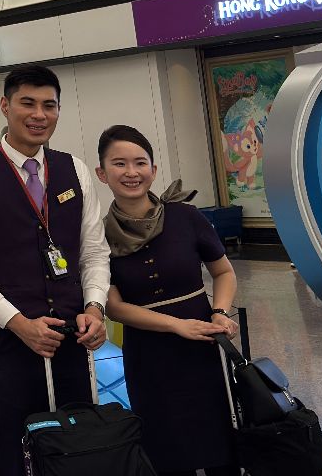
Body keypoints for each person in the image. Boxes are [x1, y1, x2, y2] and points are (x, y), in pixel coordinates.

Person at [0, 66, 109, 476]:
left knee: (79, 445)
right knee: (18, 452)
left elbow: (93, 251)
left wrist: (96, 307)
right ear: (5, 106)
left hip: (73, 339)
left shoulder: (74, 169)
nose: (39, 114)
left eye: (48, 105)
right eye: (27, 103)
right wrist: (18, 324)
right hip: (9, 345)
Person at [96, 125, 238, 476]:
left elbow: (224, 272)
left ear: (154, 170)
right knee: (167, 448)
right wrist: (177, 326)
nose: (131, 172)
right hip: (149, 355)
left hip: (204, 346)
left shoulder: (185, 217)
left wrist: (219, 312)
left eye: (140, 163)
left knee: (222, 442)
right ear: (102, 173)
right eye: (119, 164)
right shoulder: (97, 234)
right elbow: (113, 306)